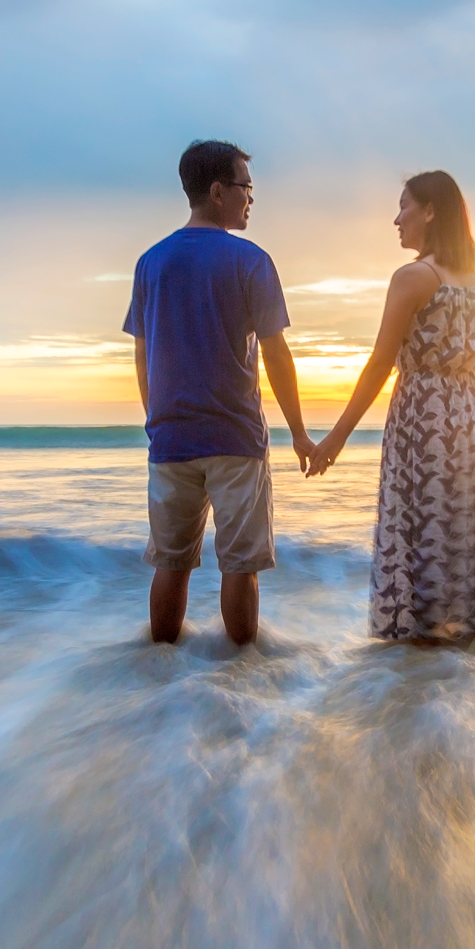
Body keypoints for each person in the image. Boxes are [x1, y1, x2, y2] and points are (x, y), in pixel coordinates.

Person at [124, 140, 314, 646]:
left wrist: (157, 420)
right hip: (235, 438)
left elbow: (143, 356)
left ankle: (159, 672)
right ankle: (242, 679)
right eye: (245, 188)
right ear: (216, 192)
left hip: (170, 441)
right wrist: (299, 434)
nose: (251, 199)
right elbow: (276, 355)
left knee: (171, 562)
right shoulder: (250, 261)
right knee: (240, 565)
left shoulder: (151, 263)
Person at [306, 170, 475, 641]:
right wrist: (469, 425)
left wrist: (334, 439)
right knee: (457, 534)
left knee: (415, 531)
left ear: (430, 211)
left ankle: (414, 643)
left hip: (422, 419)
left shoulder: (413, 278)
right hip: (470, 424)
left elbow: (379, 365)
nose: (397, 219)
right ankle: (464, 635)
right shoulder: (472, 282)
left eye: (404, 206)